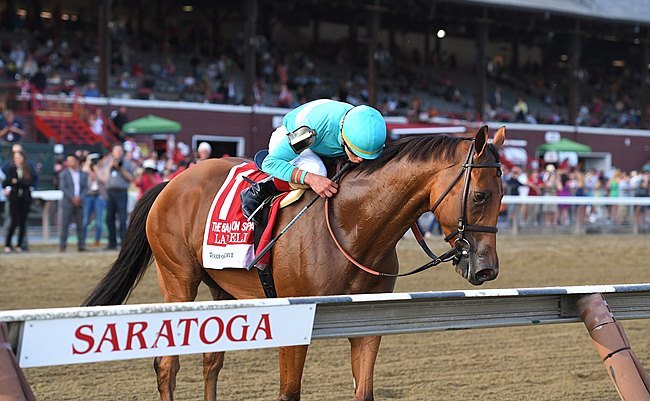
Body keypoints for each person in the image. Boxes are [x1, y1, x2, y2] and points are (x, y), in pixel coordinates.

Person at [241, 99, 387, 222]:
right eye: (356, 153)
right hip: (290, 135)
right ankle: (264, 188)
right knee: (318, 171)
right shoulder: (309, 132)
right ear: (344, 138)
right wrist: (310, 179)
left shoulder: (362, 124)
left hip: (320, 145)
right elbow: (270, 162)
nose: (360, 159)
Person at [100, 143, 134, 250]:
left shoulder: (127, 163)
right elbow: (103, 179)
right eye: (116, 151)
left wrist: (120, 169)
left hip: (121, 192)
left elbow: (130, 178)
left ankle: (123, 242)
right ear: (112, 152)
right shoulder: (106, 162)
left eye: (120, 151)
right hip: (110, 192)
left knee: (122, 218)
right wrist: (109, 166)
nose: (118, 153)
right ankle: (111, 242)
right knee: (109, 218)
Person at [3, 150, 34, 253]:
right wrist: (14, 184)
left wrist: (16, 182)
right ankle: (8, 244)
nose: (17, 160)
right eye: (15, 158)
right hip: (14, 198)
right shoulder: (11, 169)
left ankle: (19, 245)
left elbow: (28, 182)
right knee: (14, 221)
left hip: (24, 198)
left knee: (22, 222)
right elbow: (7, 182)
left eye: (19, 158)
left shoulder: (28, 169)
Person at [58, 154, 88, 252]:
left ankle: (81, 244)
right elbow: (63, 187)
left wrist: (80, 198)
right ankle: (62, 245)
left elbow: (85, 188)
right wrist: (73, 198)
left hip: (80, 202)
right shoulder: (63, 174)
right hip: (68, 202)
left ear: (77, 161)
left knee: (80, 225)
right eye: (68, 161)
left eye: (71, 160)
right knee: (65, 224)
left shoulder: (83, 174)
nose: (69, 163)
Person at [82, 153, 107, 248]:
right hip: (88, 196)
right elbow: (83, 174)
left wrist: (96, 168)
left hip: (98, 196)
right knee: (85, 220)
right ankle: (82, 241)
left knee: (99, 221)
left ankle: (97, 241)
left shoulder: (101, 169)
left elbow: (103, 179)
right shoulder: (86, 170)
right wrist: (88, 163)